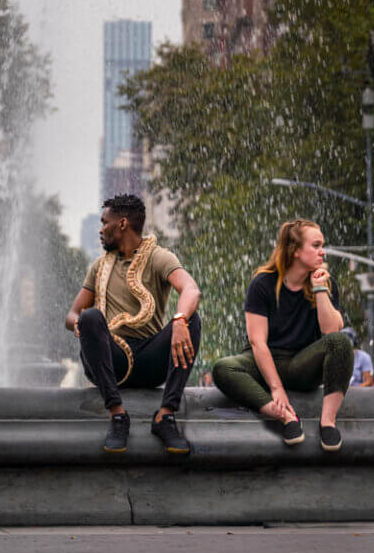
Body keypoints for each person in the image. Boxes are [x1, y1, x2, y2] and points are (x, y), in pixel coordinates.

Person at [65, 194, 201, 455]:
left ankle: (165, 415)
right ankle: (117, 414)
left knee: (192, 318)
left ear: (123, 224)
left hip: (150, 360)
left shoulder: (159, 257)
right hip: (110, 360)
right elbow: (72, 314)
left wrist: (180, 320)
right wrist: (81, 325)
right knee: (90, 316)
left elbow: (191, 289)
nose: (101, 229)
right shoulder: (99, 267)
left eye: (105, 222)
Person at [212, 219, 353, 451]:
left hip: (302, 363)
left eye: (322, 245)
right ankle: (285, 417)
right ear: (295, 251)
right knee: (223, 367)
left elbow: (331, 332)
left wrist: (320, 289)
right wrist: (276, 389)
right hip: (265, 361)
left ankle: (328, 422)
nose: (322, 251)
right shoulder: (263, 284)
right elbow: (257, 341)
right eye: (316, 245)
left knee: (341, 343)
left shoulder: (325, 283)